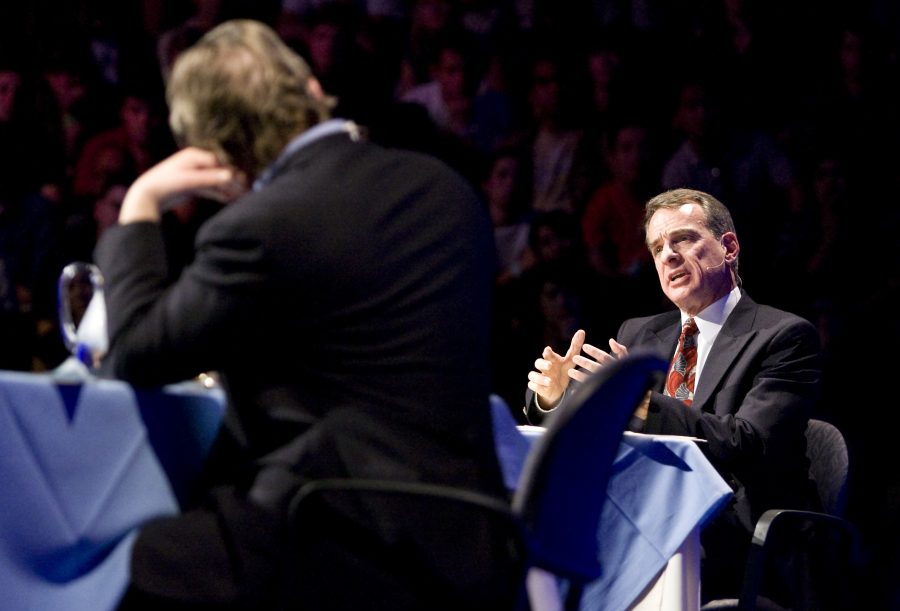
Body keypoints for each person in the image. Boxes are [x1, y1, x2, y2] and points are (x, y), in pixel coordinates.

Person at [94, 19, 517, 611]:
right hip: (477, 540)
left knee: (123, 559)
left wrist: (140, 204)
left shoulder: (259, 227)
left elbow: (132, 354)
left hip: (342, 537)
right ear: (310, 90)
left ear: (219, 148)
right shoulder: (445, 187)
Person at [523, 187, 822, 603]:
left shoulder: (783, 337)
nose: (668, 256)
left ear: (729, 247)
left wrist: (642, 402)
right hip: (641, 519)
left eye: (683, 239)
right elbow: (601, 435)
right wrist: (558, 400)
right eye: (657, 247)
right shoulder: (640, 334)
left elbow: (749, 442)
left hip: (730, 533)